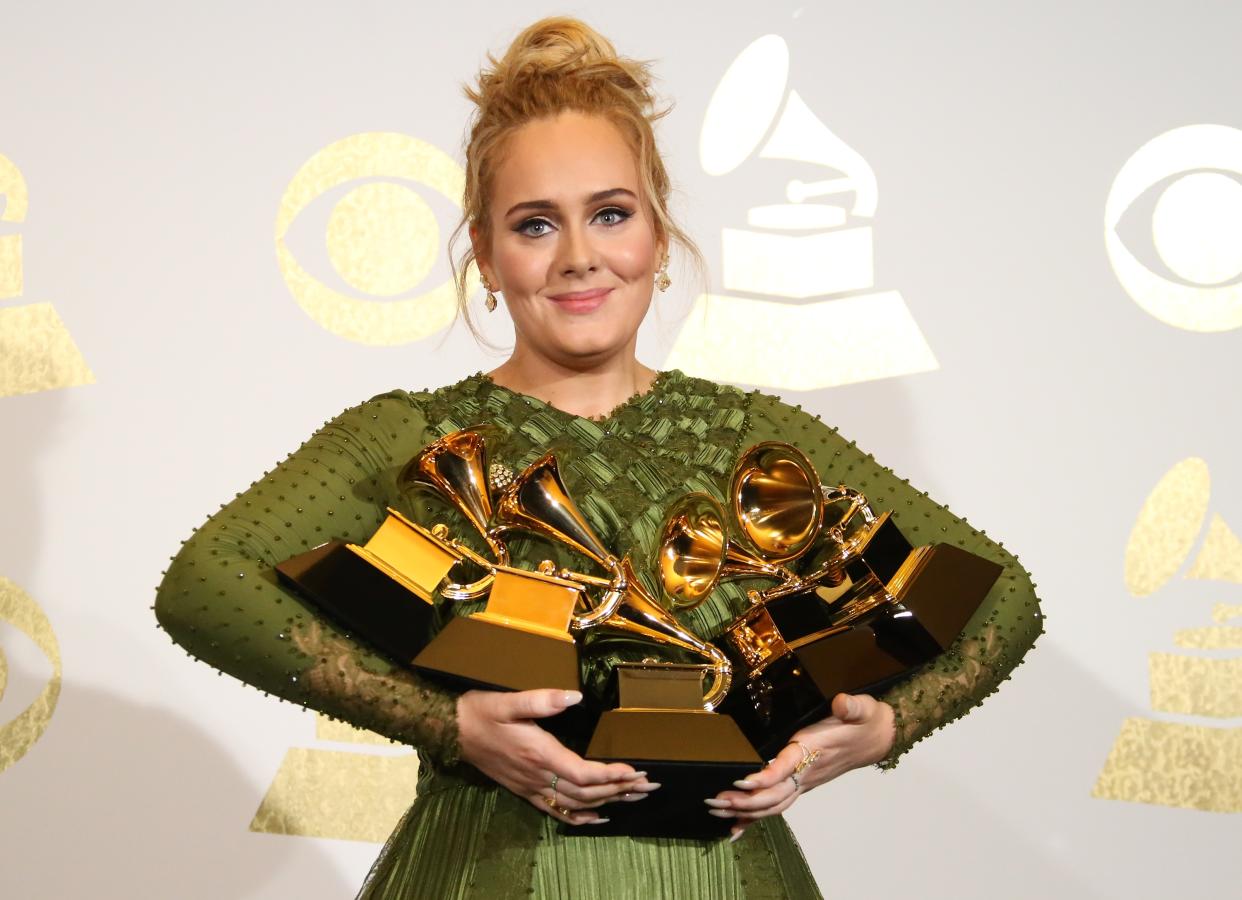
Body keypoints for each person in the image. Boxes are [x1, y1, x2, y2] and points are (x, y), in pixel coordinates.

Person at [154, 16, 1043, 899]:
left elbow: (1000, 594)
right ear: (488, 258)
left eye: (609, 215)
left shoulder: (749, 436)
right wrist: (447, 724)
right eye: (535, 226)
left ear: (657, 238)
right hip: (488, 874)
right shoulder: (406, 435)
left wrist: (883, 729)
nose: (579, 258)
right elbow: (203, 581)